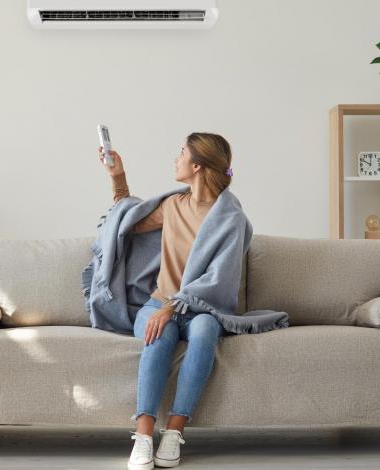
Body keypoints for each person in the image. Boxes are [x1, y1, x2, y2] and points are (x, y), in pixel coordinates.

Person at [98, 132, 235, 470]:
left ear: (197, 166)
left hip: (203, 308)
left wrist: (172, 307)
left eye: (181, 152)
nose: (176, 159)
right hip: (157, 303)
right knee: (160, 334)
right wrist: (118, 177)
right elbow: (125, 223)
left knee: (204, 331)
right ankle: (143, 434)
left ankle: (174, 432)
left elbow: (218, 278)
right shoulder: (173, 206)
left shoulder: (230, 218)